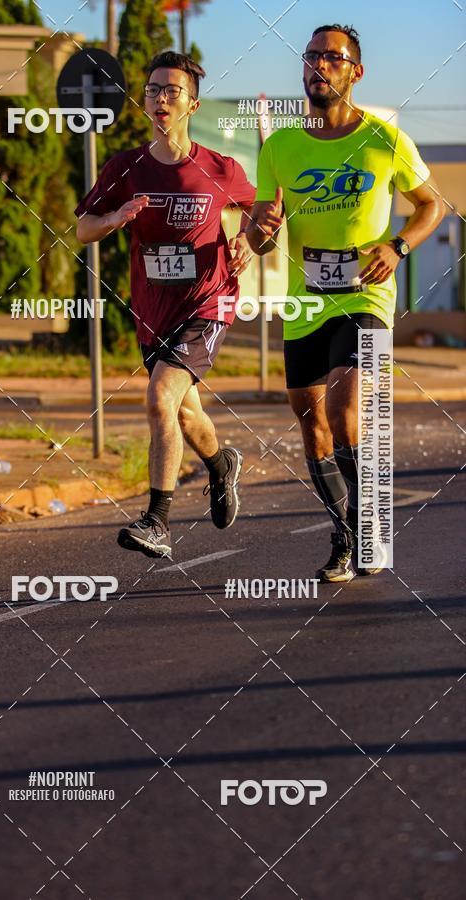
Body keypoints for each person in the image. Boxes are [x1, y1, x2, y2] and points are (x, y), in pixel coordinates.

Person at [247, 24, 445, 582]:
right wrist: (260, 229)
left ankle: (371, 528)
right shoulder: (280, 146)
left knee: (342, 406)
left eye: (330, 58)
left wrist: (398, 245)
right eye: (310, 57)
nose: (317, 66)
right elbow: (264, 232)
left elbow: (433, 205)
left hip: (366, 296)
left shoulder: (384, 139)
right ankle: (346, 534)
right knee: (310, 420)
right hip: (305, 301)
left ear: (355, 71)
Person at [76, 51, 256, 559]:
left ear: (192, 104)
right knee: (183, 411)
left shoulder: (219, 167)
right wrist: (116, 217)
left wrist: (245, 237)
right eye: (153, 89)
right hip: (154, 310)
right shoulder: (125, 167)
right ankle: (222, 465)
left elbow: (262, 209)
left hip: (208, 302)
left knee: (159, 398)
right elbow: (82, 228)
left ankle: (157, 521)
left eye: (172, 90)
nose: (160, 98)